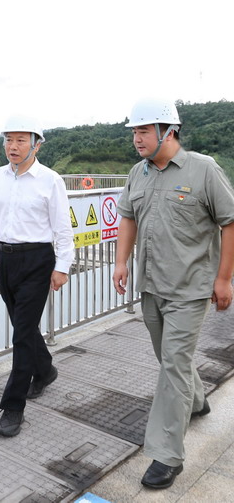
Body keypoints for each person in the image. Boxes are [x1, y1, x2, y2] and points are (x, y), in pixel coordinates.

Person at [113, 97, 234, 489]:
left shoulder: (203, 169)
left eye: (143, 131)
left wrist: (224, 279)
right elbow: (127, 217)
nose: (137, 138)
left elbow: (230, 222)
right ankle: (196, 401)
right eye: (134, 131)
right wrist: (121, 262)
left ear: (168, 131)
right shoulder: (138, 172)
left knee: (173, 364)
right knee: (169, 358)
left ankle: (166, 454)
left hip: (190, 289)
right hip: (151, 285)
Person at [0, 115, 74, 437]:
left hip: (37, 260)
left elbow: (62, 227)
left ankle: (13, 406)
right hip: (5, 258)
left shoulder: (50, 180)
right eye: (8, 139)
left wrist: (62, 266)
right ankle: (45, 369)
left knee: (22, 334)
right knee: (23, 327)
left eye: (21, 140)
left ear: (37, 145)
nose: (13, 146)